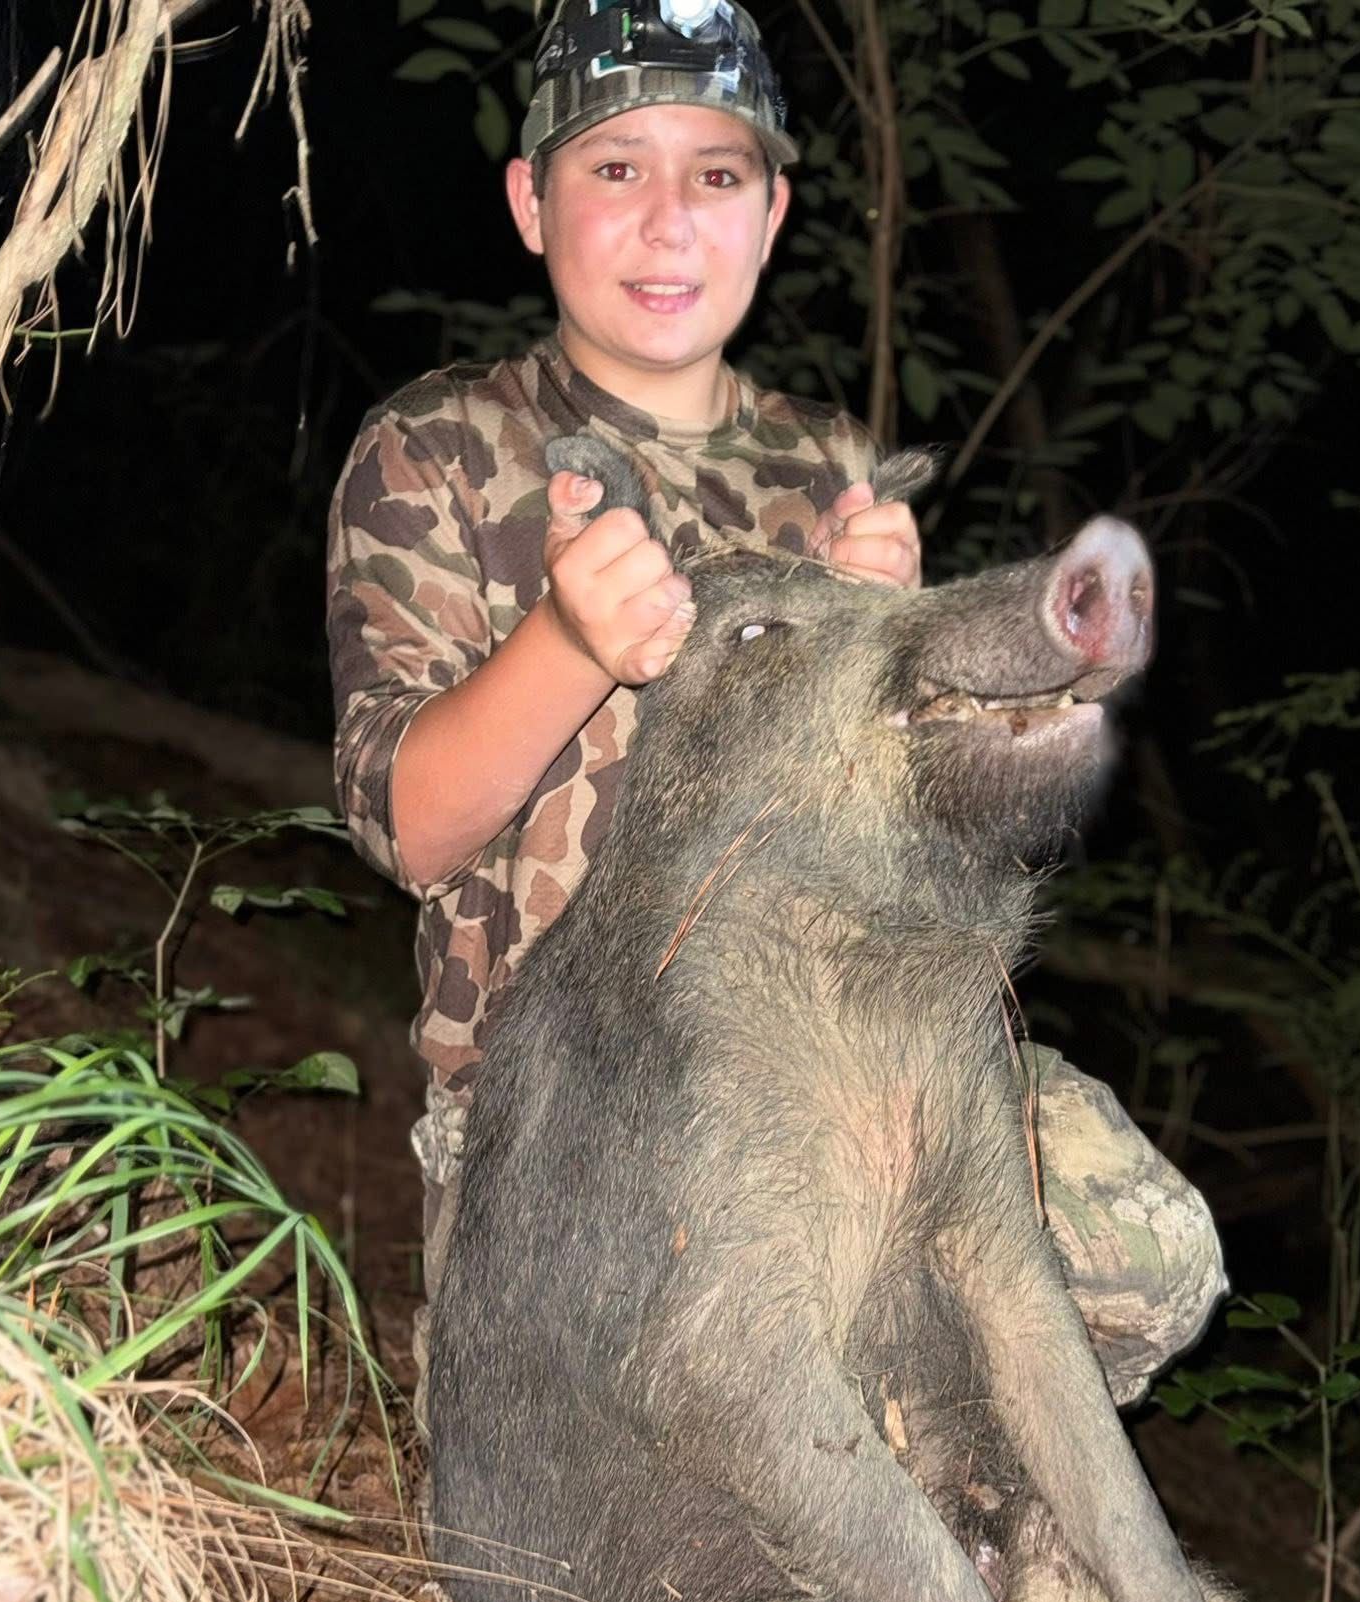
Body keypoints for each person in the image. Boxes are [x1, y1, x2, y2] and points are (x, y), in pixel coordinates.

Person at [326, 0, 1225, 1441]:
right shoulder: (435, 452)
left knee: (1148, 1252)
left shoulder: (832, 468)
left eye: (717, 174)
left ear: (774, 211)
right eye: (615, 168)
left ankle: (925, 1458)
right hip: (563, 1121)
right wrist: (570, 644)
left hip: (828, 1059)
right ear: (529, 200)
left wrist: (918, 680)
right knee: (640, 1564)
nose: (668, 219)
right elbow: (410, 829)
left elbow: (912, 860)